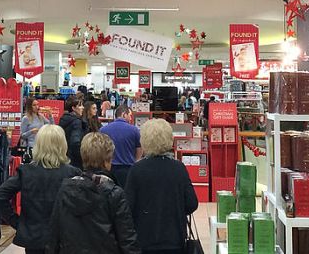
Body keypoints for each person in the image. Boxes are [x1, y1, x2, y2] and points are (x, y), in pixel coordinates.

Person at [46, 132, 140, 254]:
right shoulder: (114, 193)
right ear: (107, 160)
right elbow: (127, 239)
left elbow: (54, 234)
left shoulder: (65, 190)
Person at [0, 125, 81, 254]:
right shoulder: (72, 173)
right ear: (63, 144)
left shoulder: (27, 172)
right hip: (63, 237)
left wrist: (17, 222)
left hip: (33, 236)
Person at [125, 119, 198, 254]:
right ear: (169, 139)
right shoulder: (178, 168)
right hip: (174, 239)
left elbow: (128, 207)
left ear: (144, 140)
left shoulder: (136, 170)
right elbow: (192, 203)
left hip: (145, 240)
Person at [100, 105, 142, 187]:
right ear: (124, 114)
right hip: (127, 169)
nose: (130, 119)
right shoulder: (134, 130)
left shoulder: (103, 130)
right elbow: (139, 150)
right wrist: (135, 161)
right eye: (129, 115)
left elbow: (100, 149)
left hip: (108, 169)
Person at [59, 96, 86, 170]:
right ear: (73, 108)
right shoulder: (76, 122)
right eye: (80, 105)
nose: (83, 107)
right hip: (75, 160)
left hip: (64, 156)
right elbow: (75, 142)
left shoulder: (63, 119)